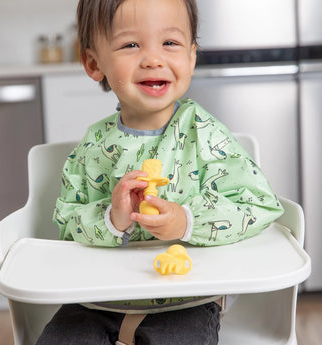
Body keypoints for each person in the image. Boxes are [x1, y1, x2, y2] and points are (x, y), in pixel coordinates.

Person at [37, 0, 284, 344]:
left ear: (191, 56)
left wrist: (187, 220)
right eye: (131, 44)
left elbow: (260, 204)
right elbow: (67, 220)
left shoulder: (205, 136)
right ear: (94, 63)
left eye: (170, 43)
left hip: (187, 298)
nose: (153, 58)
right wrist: (112, 218)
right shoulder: (94, 146)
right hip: (96, 297)